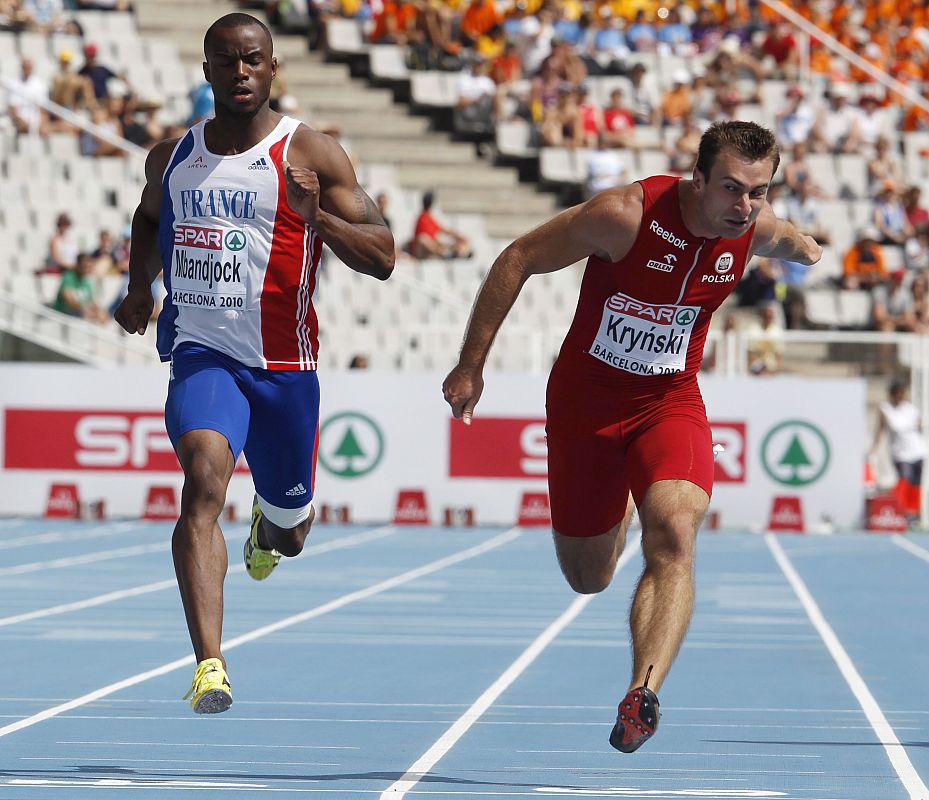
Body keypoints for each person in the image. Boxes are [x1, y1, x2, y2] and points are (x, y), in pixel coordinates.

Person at [443, 120, 821, 754]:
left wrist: (810, 250)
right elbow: (518, 258)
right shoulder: (625, 215)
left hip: (669, 403)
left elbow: (791, 241)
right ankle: (620, 495)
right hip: (585, 408)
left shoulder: (755, 228)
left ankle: (642, 692)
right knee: (588, 577)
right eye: (731, 188)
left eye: (758, 191)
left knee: (674, 532)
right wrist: (470, 364)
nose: (744, 206)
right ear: (696, 178)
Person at [114, 13, 394, 716]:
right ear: (206, 71)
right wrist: (135, 288)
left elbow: (385, 257)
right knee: (202, 482)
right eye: (225, 62)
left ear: (272, 69)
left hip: (283, 370)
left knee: (291, 532)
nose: (239, 73)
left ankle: (268, 531)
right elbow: (148, 220)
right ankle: (210, 664)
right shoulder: (173, 158)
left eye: (252, 61)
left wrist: (316, 218)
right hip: (203, 357)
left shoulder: (312, 154)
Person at [871, 379, 926, 524]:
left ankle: (913, 512)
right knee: (905, 478)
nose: (899, 396)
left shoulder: (910, 409)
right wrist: (875, 446)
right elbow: (881, 428)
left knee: (915, 483)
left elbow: (918, 426)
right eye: (896, 393)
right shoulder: (886, 408)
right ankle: (898, 508)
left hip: (917, 450)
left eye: (901, 393)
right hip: (900, 453)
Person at [408, 190, 472, 259]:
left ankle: (460, 253)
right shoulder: (422, 217)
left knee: (461, 241)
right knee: (423, 239)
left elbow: (444, 230)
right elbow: (422, 239)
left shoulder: (430, 218)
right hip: (421, 250)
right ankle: (446, 254)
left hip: (434, 247)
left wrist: (459, 236)